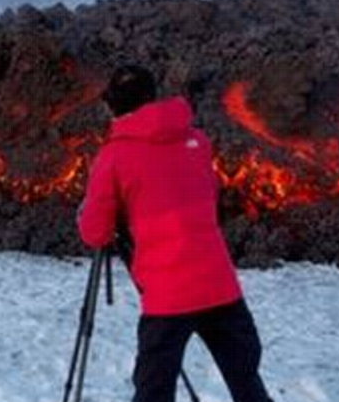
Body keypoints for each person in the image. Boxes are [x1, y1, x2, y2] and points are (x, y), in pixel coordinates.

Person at [78, 65, 275, 402]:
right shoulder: (197, 142)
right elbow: (207, 197)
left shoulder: (113, 157)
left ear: (115, 106)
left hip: (168, 297)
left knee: (153, 392)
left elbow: (95, 233)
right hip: (220, 286)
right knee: (246, 384)